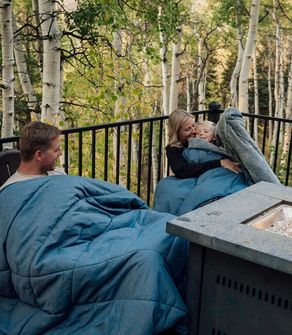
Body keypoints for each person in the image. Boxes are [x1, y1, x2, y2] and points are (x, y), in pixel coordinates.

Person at [166, 110, 241, 178]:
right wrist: (219, 163)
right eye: (187, 129)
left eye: (193, 126)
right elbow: (183, 171)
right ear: (176, 132)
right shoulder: (173, 149)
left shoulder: (203, 138)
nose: (194, 131)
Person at [0, 121, 65, 190]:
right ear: (39, 155)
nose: (61, 153)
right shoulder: (12, 192)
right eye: (56, 150)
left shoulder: (58, 172)